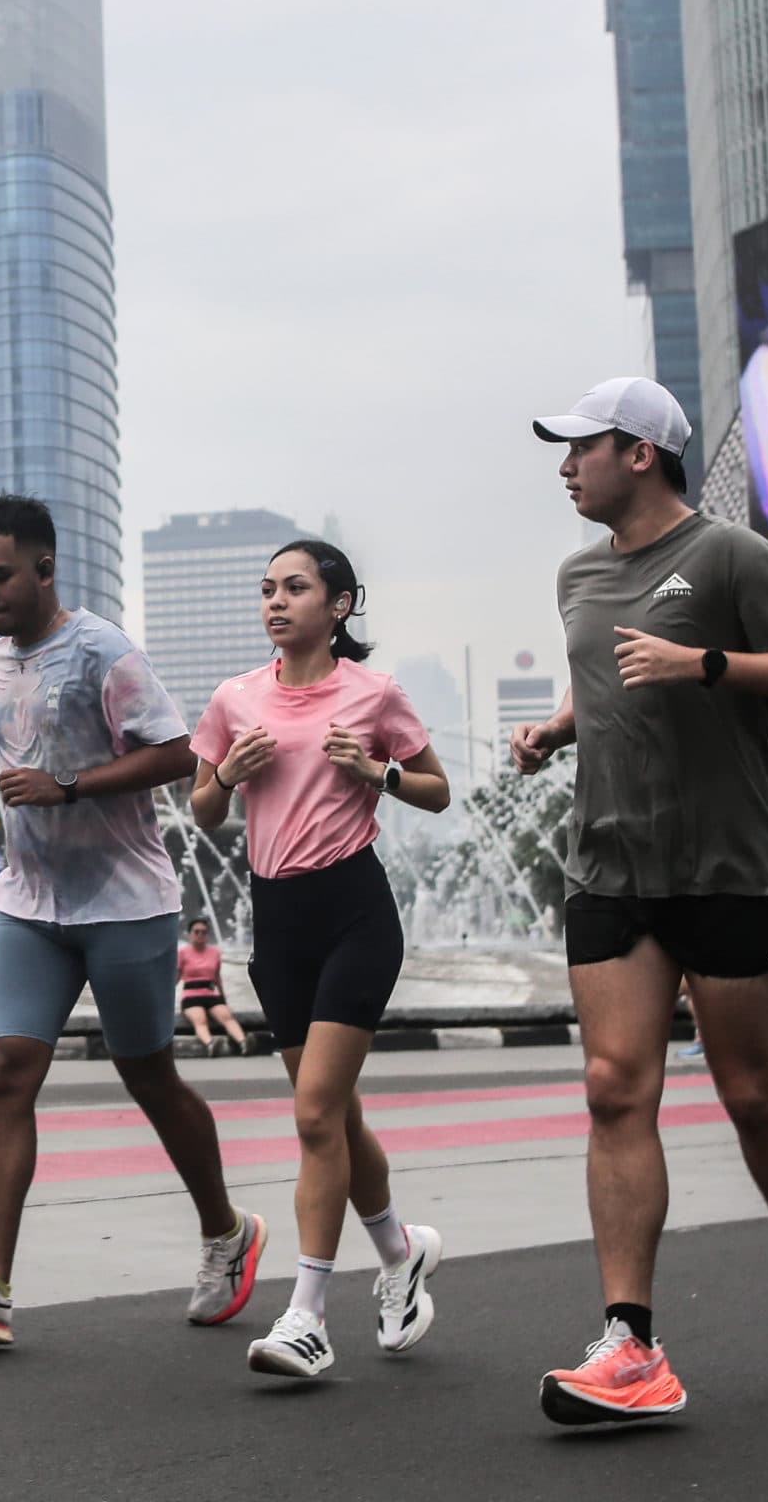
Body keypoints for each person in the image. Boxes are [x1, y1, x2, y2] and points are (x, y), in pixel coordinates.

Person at [508, 378, 768, 1424]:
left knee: (753, 1094)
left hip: (727, 864)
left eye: (582, 447)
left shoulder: (728, 556)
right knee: (615, 1085)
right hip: (609, 864)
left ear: (642, 453)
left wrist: (704, 661)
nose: (566, 465)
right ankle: (631, 1342)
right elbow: (603, 677)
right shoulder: (577, 574)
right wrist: (554, 730)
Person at [0, 492, 263, 1349]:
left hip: (125, 902)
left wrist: (68, 788)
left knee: (150, 1078)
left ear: (43, 567)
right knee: (6, 1073)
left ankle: (226, 1231)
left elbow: (179, 753)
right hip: (29, 900)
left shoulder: (104, 649)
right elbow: (25, 759)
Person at [192, 537, 452, 1381]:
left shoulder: (374, 693)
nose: (275, 601)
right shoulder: (234, 698)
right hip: (279, 924)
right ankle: (400, 1251)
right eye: (266, 588)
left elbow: (437, 789)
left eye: (294, 588)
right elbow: (203, 813)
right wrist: (225, 774)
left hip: (353, 913)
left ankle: (306, 1314)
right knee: (333, 1114)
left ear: (338, 605)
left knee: (313, 1116)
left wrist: (375, 771)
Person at [175, 918, 246, 1058]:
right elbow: (176, 977)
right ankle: (210, 1044)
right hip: (191, 995)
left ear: (208, 935)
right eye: (196, 932)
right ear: (189, 934)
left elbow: (217, 976)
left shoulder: (215, 952)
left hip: (210, 994)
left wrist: (222, 997)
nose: (200, 935)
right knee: (200, 1020)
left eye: (204, 932)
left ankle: (243, 1042)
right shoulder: (183, 953)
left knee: (227, 1017)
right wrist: (166, 996)